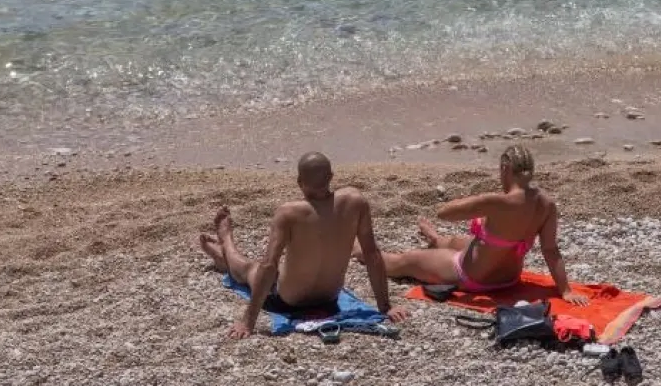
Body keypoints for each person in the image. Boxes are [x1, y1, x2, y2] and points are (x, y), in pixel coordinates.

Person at [199, 151, 408, 339]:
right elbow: (372, 254)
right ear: (331, 177)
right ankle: (221, 254)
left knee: (249, 270)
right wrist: (385, 306)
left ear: (299, 182)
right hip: (329, 301)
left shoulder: (289, 213)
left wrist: (248, 322)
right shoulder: (356, 202)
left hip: (287, 302)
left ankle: (226, 243)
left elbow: (268, 266)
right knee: (267, 270)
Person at [355, 144, 588, 305]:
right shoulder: (547, 205)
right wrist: (565, 290)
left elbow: (444, 212)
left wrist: (479, 204)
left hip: (472, 278)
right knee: (460, 241)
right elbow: (550, 250)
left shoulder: (497, 202)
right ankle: (436, 240)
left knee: (403, 261)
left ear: (505, 169)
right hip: (509, 278)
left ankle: (357, 250)